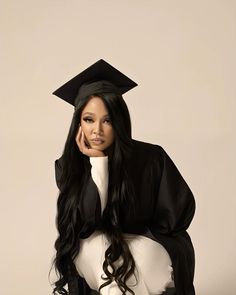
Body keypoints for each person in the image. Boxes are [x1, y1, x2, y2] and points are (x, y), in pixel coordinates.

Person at [52, 59, 195, 295]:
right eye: (89, 119)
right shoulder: (69, 166)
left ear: (119, 122)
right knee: (98, 248)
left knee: (120, 265)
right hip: (97, 248)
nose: (97, 130)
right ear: (78, 123)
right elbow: (86, 224)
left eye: (107, 120)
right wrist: (98, 162)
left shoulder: (151, 157)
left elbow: (177, 214)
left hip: (145, 245)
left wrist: (130, 231)